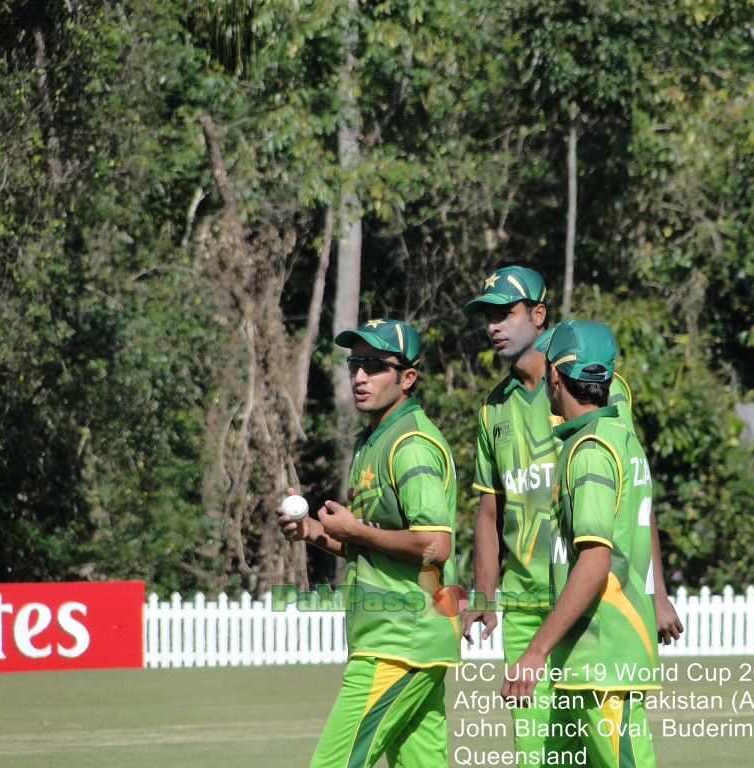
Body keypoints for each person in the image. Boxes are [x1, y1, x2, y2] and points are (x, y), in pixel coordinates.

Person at [460, 266, 680, 758]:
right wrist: (484, 593)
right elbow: (489, 510)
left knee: (602, 748)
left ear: (538, 315)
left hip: (591, 599)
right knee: (540, 753)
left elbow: (633, 497)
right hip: (524, 605)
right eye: (487, 316)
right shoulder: (493, 409)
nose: (494, 326)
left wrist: (655, 591)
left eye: (505, 313)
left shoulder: (599, 387)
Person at [278, 319, 460, 768]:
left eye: (375, 366)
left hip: (400, 642)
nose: (359, 376)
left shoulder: (411, 444)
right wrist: (314, 534)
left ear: (408, 377)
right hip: (401, 640)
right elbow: (375, 547)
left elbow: (436, 544)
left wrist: (356, 530)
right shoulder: (371, 441)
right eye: (355, 363)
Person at [502, 319, 660, 768]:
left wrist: (535, 651)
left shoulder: (589, 449)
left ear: (555, 376)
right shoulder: (620, 437)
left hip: (604, 655)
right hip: (602, 655)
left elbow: (595, 562)